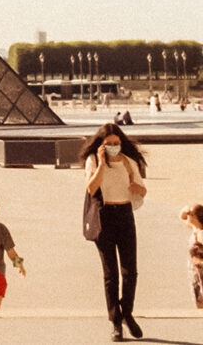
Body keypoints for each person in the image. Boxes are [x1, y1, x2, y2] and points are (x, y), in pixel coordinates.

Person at [81, 123, 147, 341]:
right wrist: (101, 162)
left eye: (116, 143)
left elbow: (141, 189)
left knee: (131, 271)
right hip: (104, 215)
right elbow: (91, 188)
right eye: (108, 144)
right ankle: (115, 321)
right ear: (101, 144)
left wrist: (136, 185)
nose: (112, 147)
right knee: (111, 274)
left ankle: (127, 312)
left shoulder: (129, 161)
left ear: (121, 142)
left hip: (125, 214)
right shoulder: (93, 160)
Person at [179, 204, 203, 308]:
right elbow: (181, 216)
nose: (188, 216)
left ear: (196, 217)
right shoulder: (194, 228)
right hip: (195, 271)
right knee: (198, 299)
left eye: (191, 214)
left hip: (201, 271)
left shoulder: (201, 234)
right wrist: (187, 209)